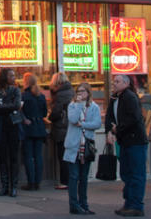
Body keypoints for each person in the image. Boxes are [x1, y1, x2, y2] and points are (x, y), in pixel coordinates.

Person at [105, 73, 147, 217]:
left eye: (117, 81)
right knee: (126, 174)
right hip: (124, 141)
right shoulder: (114, 98)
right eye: (114, 81)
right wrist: (109, 131)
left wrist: (118, 129)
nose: (114, 83)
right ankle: (129, 203)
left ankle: (136, 205)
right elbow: (109, 117)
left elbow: (135, 118)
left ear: (126, 83)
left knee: (136, 174)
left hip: (135, 141)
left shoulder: (129, 97)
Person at [63, 81, 102, 216]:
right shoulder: (72, 105)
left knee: (84, 177)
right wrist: (79, 105)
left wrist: (83, 124)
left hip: (86, 146)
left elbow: (97, 123)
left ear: (88, 92)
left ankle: (84, 204)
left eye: (83, 91)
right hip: (73, 145)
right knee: (74, 176)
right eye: (78, 92)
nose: (80, 94)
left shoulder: (94, 107)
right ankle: (74, 205)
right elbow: (73, 120)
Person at [0, 68, 22, 198]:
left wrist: (0, 107)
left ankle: (14, 187)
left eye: (14, 75)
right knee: (2, 158)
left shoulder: (15, 90)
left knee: (13, 157)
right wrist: (3, 108)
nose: (14, 78)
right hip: (0, 127)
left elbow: (16, 105)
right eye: (11, 75)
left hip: (13, 126)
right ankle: (5, 186)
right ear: (4, 77)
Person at [19, 72, 47, 191]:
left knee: (28, 156)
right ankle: (38, 182)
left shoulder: (24, 96)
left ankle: (31, 182)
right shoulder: (41, 96)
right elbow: (45, 113)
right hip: (40, 127)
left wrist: (25, 119)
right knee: (38, 156)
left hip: (28, 127)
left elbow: (19, 110)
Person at [47, 72, 73, 190]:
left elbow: (56, 113)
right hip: (70, 127)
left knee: (62, 156)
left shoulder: (60, 94)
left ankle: (65, 181)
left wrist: (50, 117)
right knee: (69, 156)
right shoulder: (71, 91)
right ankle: (72, 179)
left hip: (62, 128)